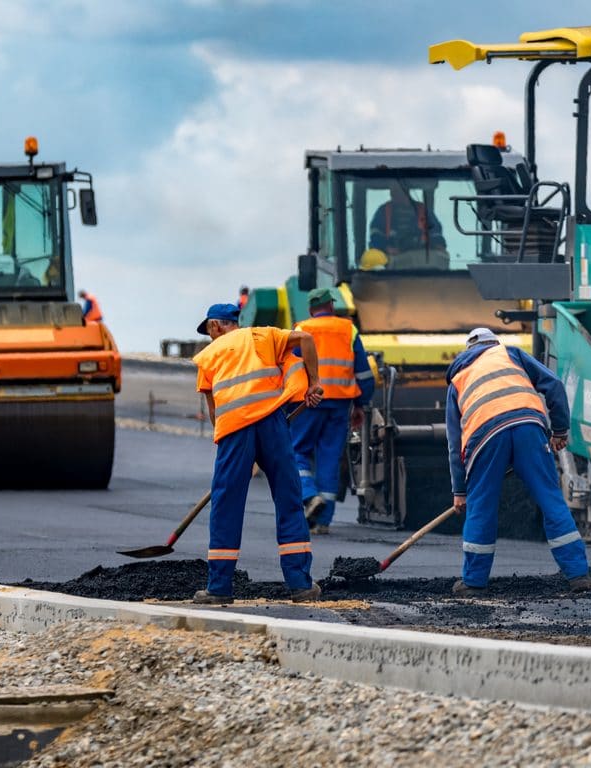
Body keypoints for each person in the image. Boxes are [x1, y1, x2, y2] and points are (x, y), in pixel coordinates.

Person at [191, 302, 325, 604]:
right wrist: (314, 382)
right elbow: (306, 339)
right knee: (290, 499)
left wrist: (236, 452)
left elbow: (215, 414)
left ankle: (219, 587)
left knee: (226, 504)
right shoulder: (263, 336)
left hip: (235, 430)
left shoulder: (209, 356)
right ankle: (301, 584)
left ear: (215, 326)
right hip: (273, 424)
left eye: (209, 331)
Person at [445, 327, 591, 595]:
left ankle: (473, 582)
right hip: (529, 426)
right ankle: (579, 576)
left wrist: (460, 491)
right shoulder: (511, 354)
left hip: (484, 436)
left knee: (481, 507)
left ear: (468, 351)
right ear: (494, 343)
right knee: (552, 501)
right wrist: (559, 430)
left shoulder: (458, 377)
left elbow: (455, 444)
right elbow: (555, 386)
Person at [290, 287, 375, 534]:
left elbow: (291, 368)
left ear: (310, 309)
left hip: (307, 402)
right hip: (339, 404)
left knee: (296, 451)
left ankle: (309, 495)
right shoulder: (349, 329)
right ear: (331, 306)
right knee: (329, 458)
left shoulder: (301, 329)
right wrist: (361, 404)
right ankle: (323, 522)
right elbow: (364, 374)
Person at [368, 183, 445, 254]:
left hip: (421, 261)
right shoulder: (383, 211)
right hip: (391, 263)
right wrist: (385, 248)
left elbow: (435, 232)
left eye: (396, 190)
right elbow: (375, 235)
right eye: (392, 190)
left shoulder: (423, 211)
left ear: (406, 191)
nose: (392, 194)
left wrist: (438, 244)